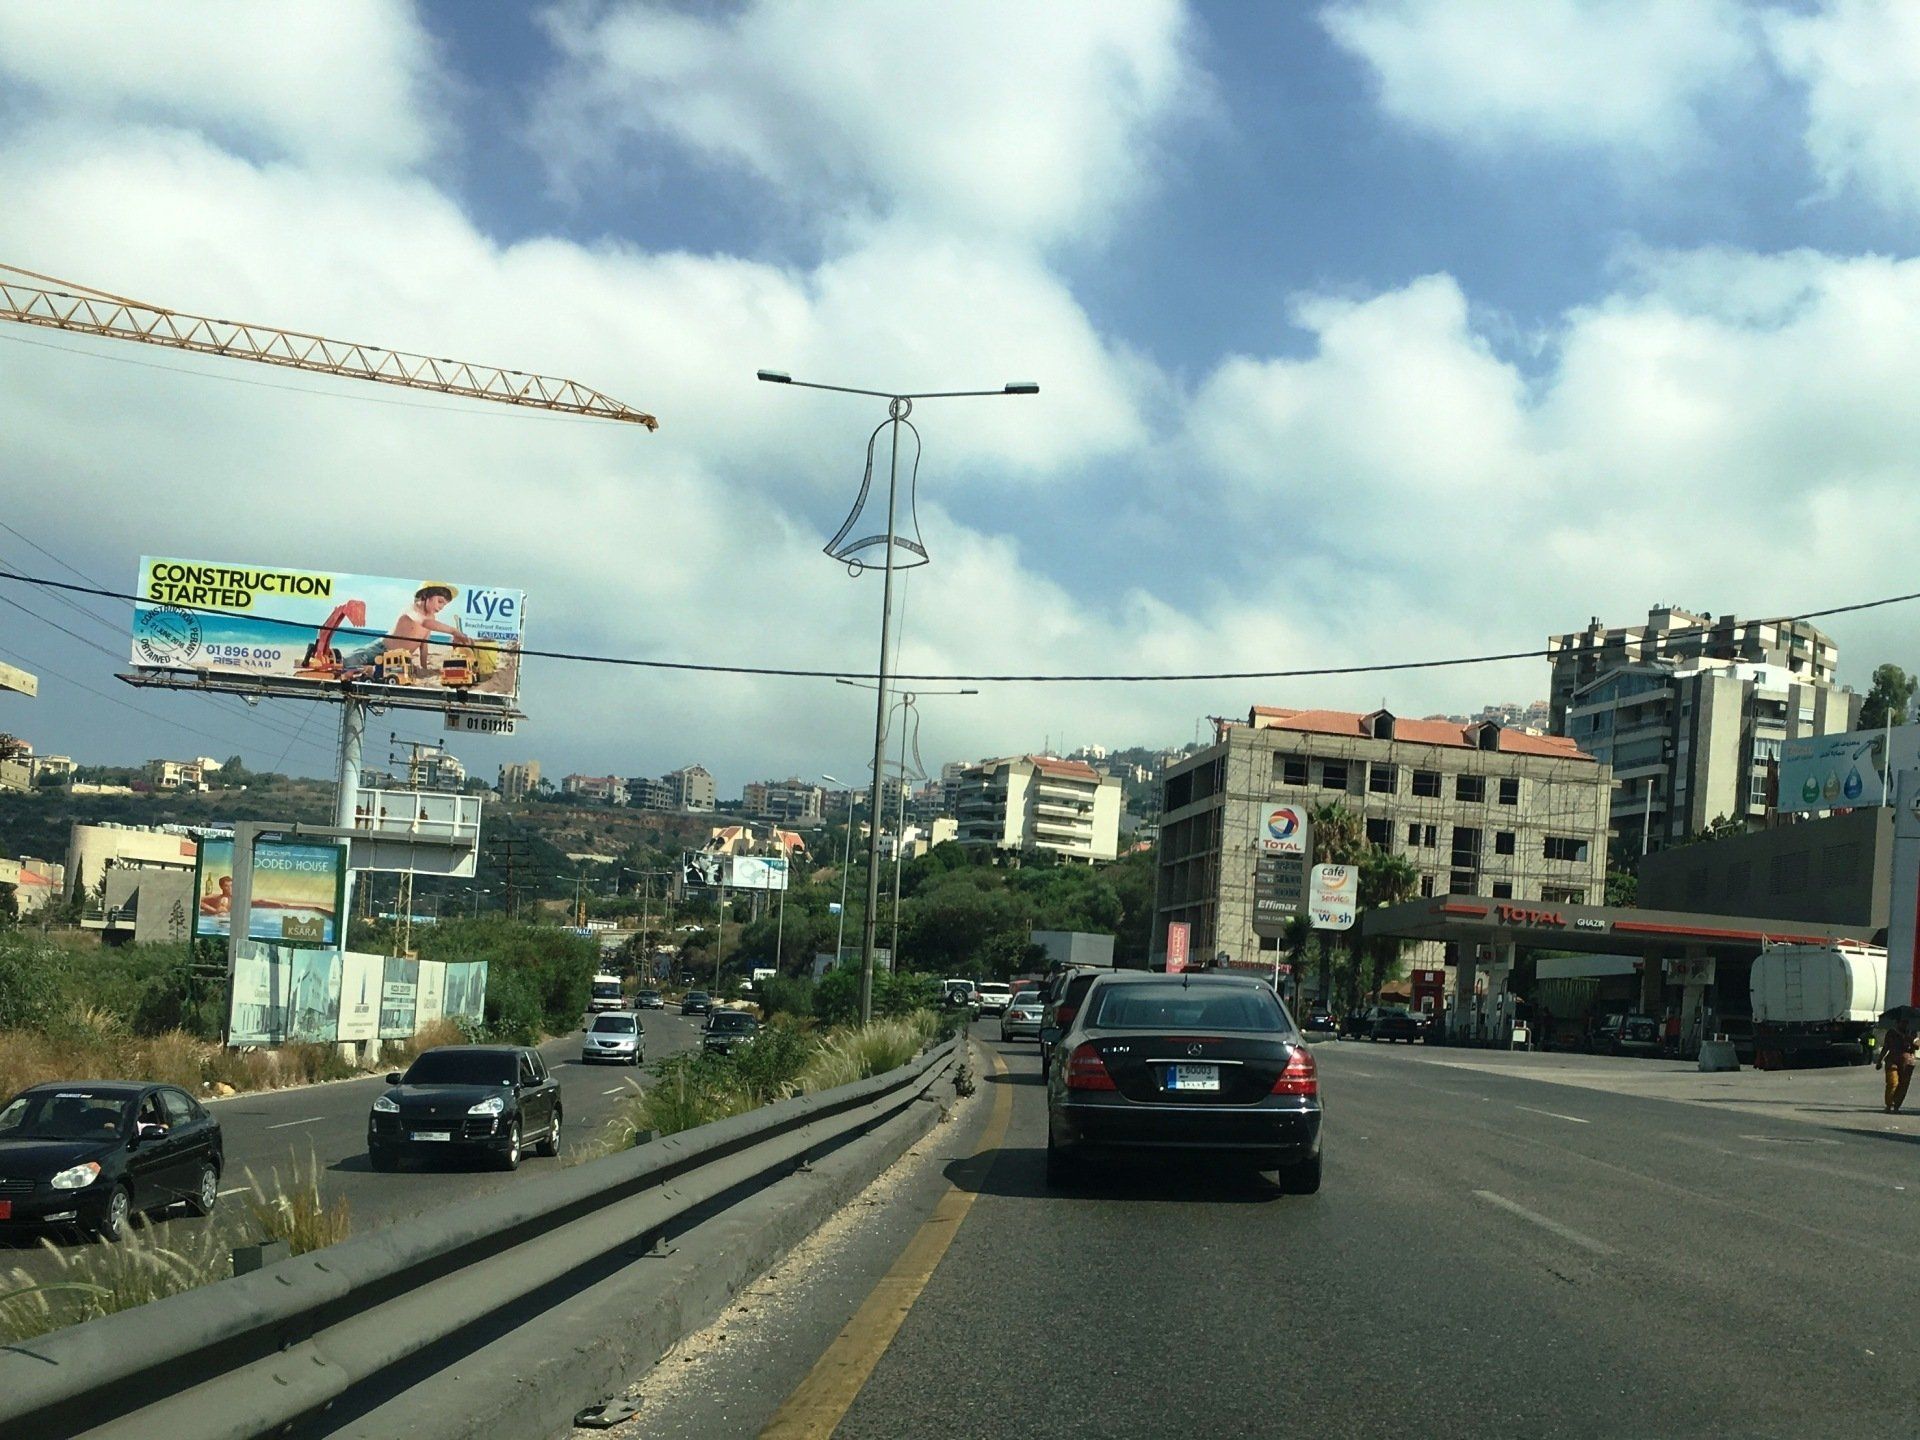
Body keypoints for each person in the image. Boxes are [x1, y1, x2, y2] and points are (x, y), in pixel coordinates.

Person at [1880, 1014, 1917, 1113]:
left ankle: (1896, 1106)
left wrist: (1910, 1039)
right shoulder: (1891, 1032)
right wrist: (1879, 1060)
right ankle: (1889, 1105)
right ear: (1897, 1023)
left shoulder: (1912, 1033)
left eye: (1906, 1022)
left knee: (1903, 1085)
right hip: (1892, 1060)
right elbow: (1886, 1046)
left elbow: (1917, 1046)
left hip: (1907, 1062)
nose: (1904, 1024)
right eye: (1902, 1022)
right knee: (1893, 1082)